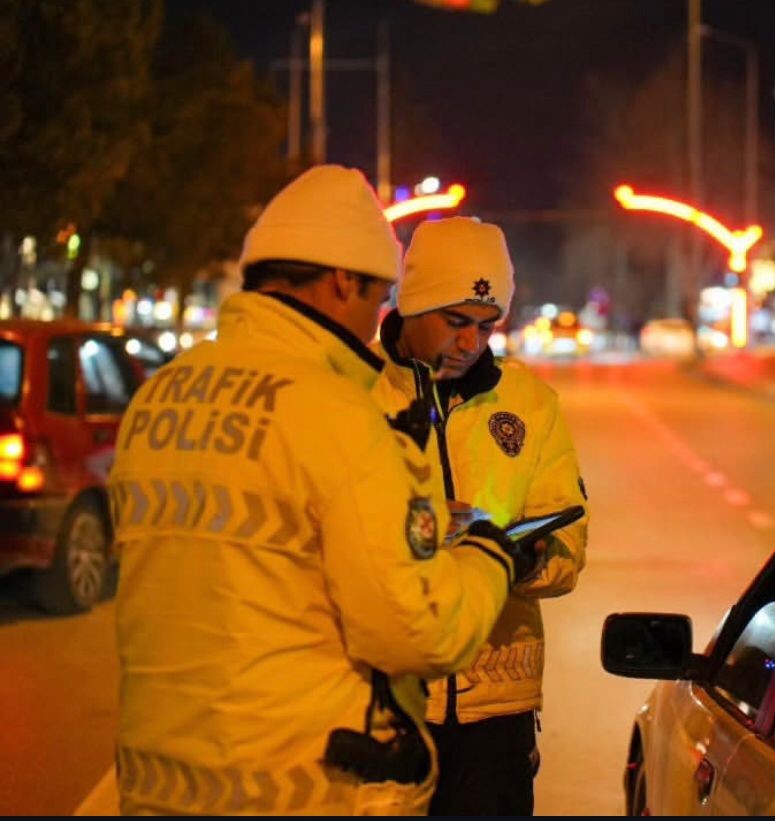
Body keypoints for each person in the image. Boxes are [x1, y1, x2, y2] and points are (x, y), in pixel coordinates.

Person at [107, 166, 535, 815]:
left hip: (157, 784)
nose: (377, 317)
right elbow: (419, 631)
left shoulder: (158, 397)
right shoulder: (340, 412)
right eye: (378, 294)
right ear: (342, 280)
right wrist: (487, 555)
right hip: (297, 789)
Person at [372, 216, 589, 815]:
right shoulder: (354, 392)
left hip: (496, 713)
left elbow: (569, 540)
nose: (472, 343)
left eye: (487, 325)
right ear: (411, 305)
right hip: (379, 706)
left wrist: (529, 559)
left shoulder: (530, 405)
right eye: (456, 322)